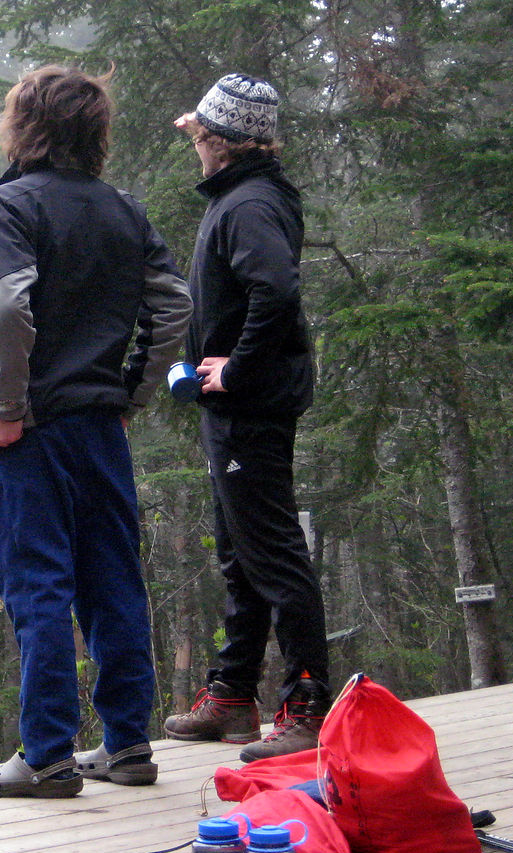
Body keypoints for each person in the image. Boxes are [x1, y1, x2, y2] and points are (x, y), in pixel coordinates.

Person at [0, 65, 192, 798]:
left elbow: (6, 312)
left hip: (36, 429)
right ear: (93, 132)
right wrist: (133, 392)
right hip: (101, 426)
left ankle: (50, 754)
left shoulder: (12, 205)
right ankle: (128, 745)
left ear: (24, 125)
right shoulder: (125, 210)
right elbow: (174, 307)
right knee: (112, 579)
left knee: (38, 584)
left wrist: (8, 407)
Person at [161, 73, 332, 763]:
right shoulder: (242, 197)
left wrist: (235, 367)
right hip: (234, 408)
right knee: (239, 550)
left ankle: (308, 705)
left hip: (250, 406)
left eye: (200, 137)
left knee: (272, 552)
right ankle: (233, 694)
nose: (195, 148)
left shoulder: (251, 203)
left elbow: (277, 291)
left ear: (225, 142)